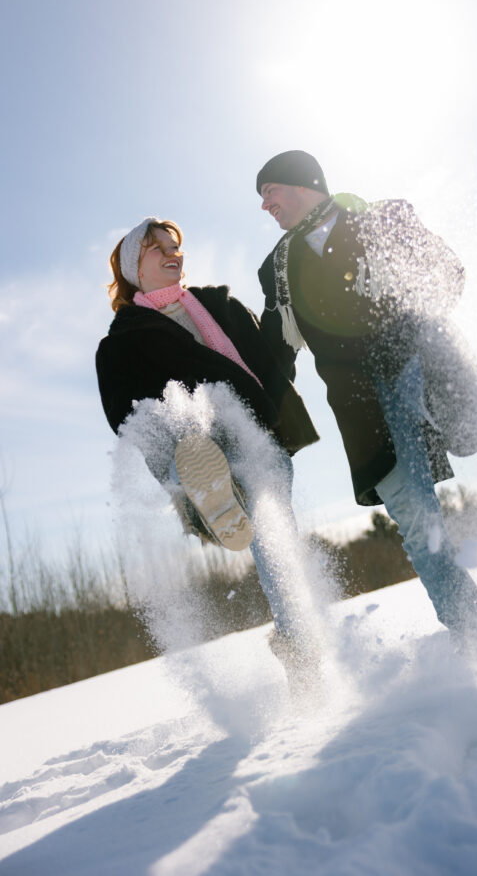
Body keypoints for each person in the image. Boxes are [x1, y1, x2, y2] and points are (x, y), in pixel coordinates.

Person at [256, 151, 477, 655]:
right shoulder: (277, 267)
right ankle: (474, 639)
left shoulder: (383, 216)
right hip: (363, 411)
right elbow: (274, 354)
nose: (265, 205)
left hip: (416, 364)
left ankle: (453, 410)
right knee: (417, 523)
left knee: (452, 412)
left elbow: (448, 273)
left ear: (301, 182)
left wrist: (402, 295)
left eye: (270, 191)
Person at [96, 216, 321, 682]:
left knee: (275, 540)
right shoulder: (124, 341)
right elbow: (128, 416)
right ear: (135, 269)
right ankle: (205, 492)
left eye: (173, 245)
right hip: (198, 446)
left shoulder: (219, 305)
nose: (170, 253)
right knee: (271, 540)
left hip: (262, 437)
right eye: (156, 248)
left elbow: (267, 360)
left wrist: (279, 388)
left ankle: (296, 641)